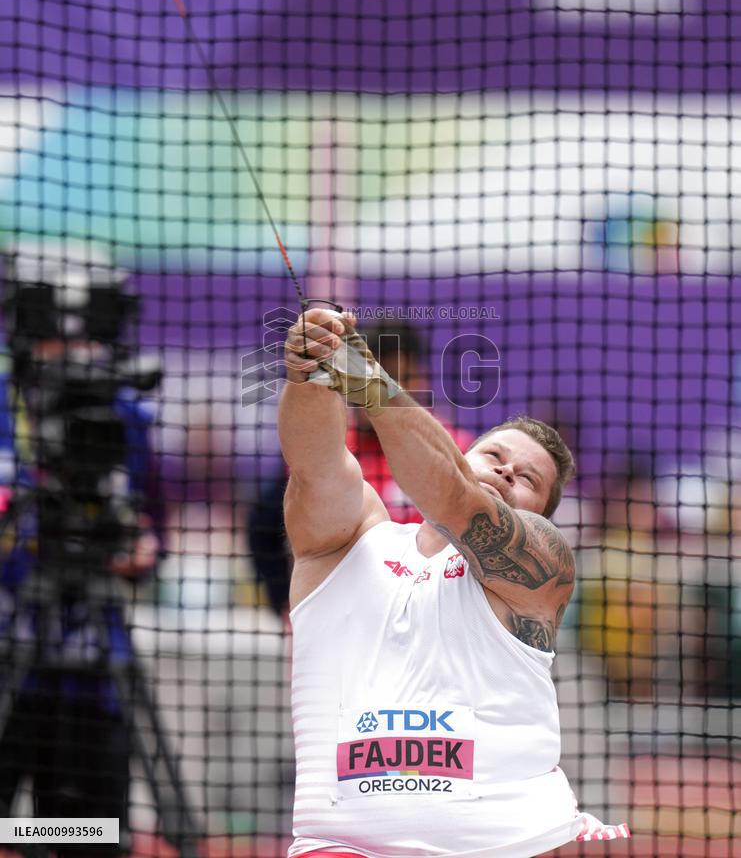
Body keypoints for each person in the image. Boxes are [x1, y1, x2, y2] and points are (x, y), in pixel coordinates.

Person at [279, 307, 630, 858]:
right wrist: (311, 372)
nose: (509, 471)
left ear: (540, 516)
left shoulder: (540, 567)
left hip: (526, 842)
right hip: (344, 846)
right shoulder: (346, 544)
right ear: (459, 452)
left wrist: (370, 382)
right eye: (495, 455)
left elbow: (452, 495)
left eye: (529, 479)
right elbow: (317, 465)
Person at [0, 241, 165, 857]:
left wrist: (141, 547)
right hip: (10, 657)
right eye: (52, 330)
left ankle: (44, 843)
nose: (71, 350)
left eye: (89, 331)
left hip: (92, 674)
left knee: (90, 839)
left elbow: (152, 526)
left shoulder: (124, 414)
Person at [248, 318, 471, 616]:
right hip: (341, 624)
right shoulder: (328, 445)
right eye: (374, 376)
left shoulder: (456, 450)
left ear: (421, 378)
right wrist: (285, 604)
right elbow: (262, 527)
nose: (381, 389)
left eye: (398, 377)